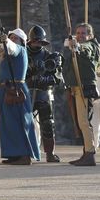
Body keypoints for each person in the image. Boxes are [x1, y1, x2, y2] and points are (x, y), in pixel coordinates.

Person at [0, 29, 39, 165]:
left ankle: (24, 155)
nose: (13, 40)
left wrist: (7, 41)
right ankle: (14, 154)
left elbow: (12, 47)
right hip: (5, 90)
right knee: (8, 123)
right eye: (11, 37)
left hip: (15, 90)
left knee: (19, 122)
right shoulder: (6, 55)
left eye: (16, 38)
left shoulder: (20, 49)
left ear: (22, 41)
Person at [63, 23, 100, 166]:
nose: (80, 36)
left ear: (90, 35)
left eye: (83, 33)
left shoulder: (90, 46)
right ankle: (86, 152)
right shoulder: (76, 47)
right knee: (81, 122)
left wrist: (78, 47)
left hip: (85, 87)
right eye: (78, 33)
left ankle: (90, 153)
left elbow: (86, 50)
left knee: (84, 122)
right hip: (77, 87)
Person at [26, 25, 63, 162]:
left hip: (43, 93)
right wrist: (30, 78)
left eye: (39, 41)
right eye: (35, 41)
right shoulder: (23, 54)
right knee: (24, 123)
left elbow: (57, 78)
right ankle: (25, 153)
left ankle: (49, 153)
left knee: (47, 124)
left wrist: (44, 79)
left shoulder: (49, 56)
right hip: (27, 93)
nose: (37, 44)